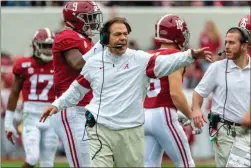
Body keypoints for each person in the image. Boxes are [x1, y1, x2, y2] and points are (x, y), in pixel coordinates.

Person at [40, 17, 212, 167]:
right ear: (105, 38)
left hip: (131, 129)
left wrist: (191, 55)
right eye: (117, 34)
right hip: (100, 129)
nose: (122, 38)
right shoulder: (93, 63)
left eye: (125, 34)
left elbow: (167, 61)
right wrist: (57, 105)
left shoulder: (140, 58)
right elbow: (77, 89)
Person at [50, 1, 103, 167]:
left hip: (85, 109)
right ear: (75, 19)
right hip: (71, 109)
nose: (94, 21)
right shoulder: (67, 36)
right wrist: (102, 46)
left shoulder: (85, 39)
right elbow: (77, 64)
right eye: (89, 17)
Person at [192, 27, 250, 167]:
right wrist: (196, 109)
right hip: (225, 133)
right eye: (226, 42)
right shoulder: (216, 68)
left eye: (231, 43)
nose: (227, 46)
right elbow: (199, 92)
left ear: (244, 46)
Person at [143, 14, 195, 167]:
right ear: (176, 34)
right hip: (164, 115)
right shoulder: (176, 56)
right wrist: (191, 116)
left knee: (149, 164)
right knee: (186, 164)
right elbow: (175, 93)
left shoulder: (147, 56)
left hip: (144, 114)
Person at [4, 28, 59, 168]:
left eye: (50, 46)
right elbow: (14, 93)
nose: (47, 50)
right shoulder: (23, 64)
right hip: (31, 117)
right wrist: (8, 122)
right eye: (44, 46)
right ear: (35, 45)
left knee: (48, 163)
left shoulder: (59, 65)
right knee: (33, 158)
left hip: (52, 117)